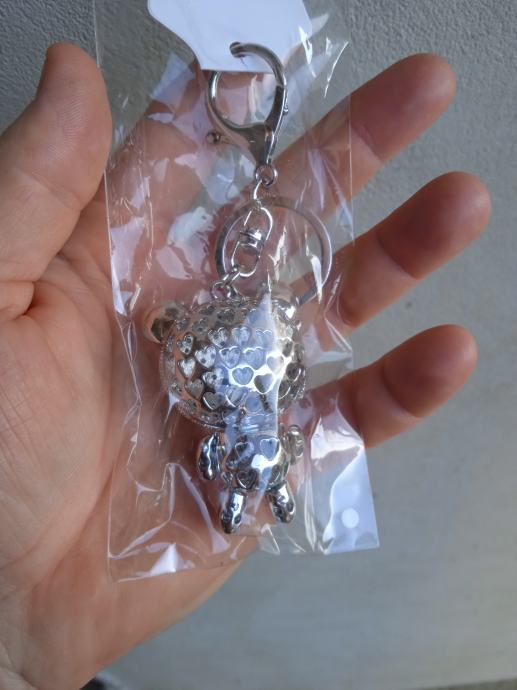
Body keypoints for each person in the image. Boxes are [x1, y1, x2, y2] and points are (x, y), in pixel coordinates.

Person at [0, 43, 490, 690]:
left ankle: (266, 494)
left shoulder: (257, 351)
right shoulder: (211, 356)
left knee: (266, 480)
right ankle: (250, 497)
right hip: (229, 434)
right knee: (244, 485)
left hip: (249, 433)